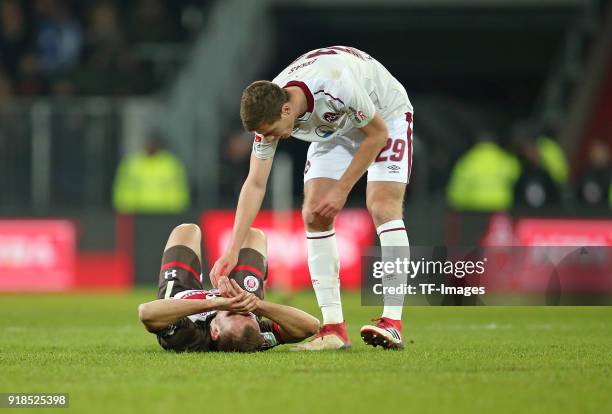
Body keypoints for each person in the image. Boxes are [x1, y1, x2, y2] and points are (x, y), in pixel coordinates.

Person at [210, 46, 414, 350]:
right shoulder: (271, 112)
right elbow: (254, 183)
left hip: (384, 115)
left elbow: (376, 135)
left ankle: (392, 322)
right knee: (314, 215)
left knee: (383, 206)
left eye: (272, 132)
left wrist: (342, 189)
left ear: (286, 110)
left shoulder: (336, 85)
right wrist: (232, 250)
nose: (271, 138)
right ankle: (333, 329)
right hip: (335, 130)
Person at [138, 224, 320, 352]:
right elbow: (311, 326)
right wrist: (255, 305)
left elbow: (146, 312)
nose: (237, 307)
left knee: (186, 230)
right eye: (247, 314)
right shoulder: (256, 334)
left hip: (180, 296)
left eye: (233, 312)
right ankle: (257, 283)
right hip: (241, 297)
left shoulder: (189, 336)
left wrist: (214, 303)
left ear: (215, 330)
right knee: (254, 235)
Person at [113, 136, 190, 214]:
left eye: (154, 144)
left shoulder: (171, 164)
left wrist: (177, 211)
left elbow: (178, 189)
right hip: (137, 213)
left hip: (165, 214)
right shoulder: (132, 163)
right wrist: (124, 210)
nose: (151, 146)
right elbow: (123, 189)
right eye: (149, 143)